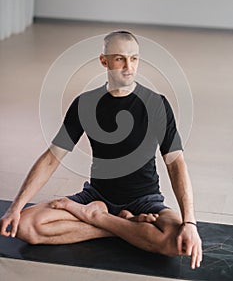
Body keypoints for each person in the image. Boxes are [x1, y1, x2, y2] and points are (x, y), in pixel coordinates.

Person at [0, 30, 202, 269]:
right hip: (96, 197)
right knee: (25, 227)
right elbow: (52, 158)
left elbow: (176, 163)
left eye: (134, 58)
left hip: (145, 201)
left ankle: (99, 219)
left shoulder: (156, 103)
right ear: (104, 61)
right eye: (119, 59)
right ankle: (120, 226)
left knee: (177, 244)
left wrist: (190, 223)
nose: (129, 66)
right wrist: (15, 208)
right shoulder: (85, 104)